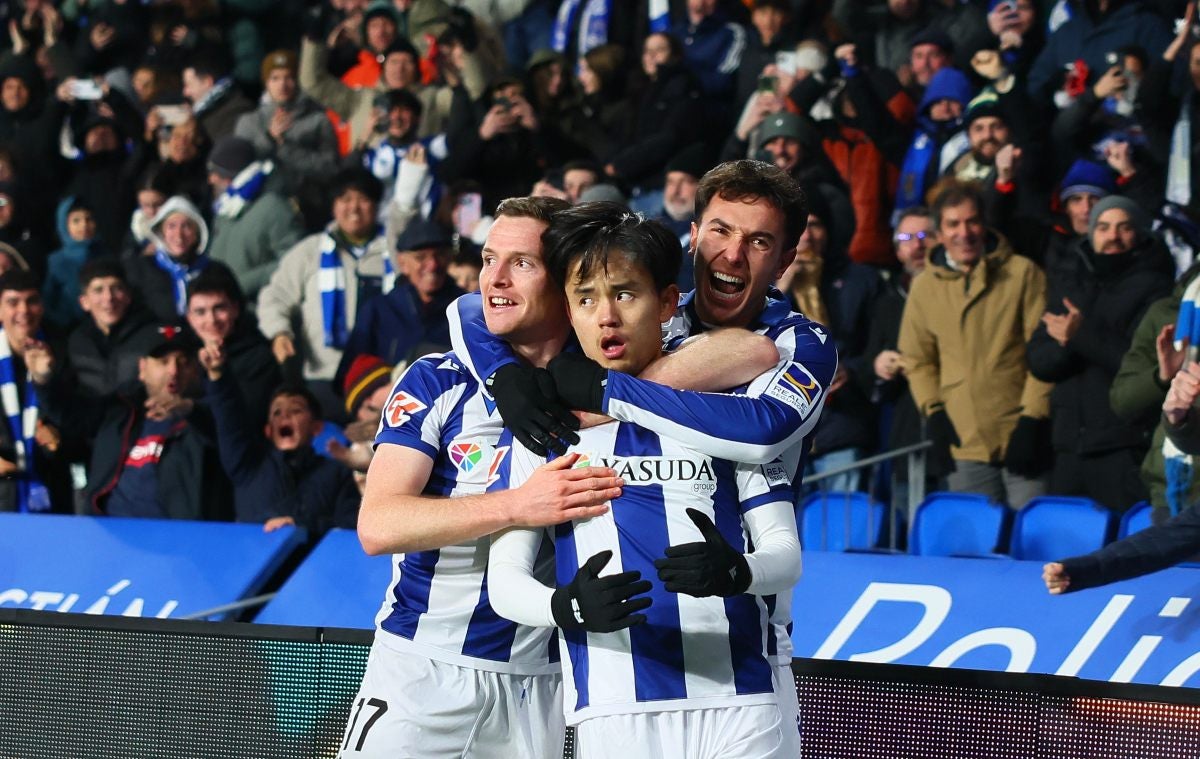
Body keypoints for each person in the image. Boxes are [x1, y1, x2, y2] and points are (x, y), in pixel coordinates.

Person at [450, 160, 840, 754]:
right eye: (720, 230)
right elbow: (472, 309)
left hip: (747, 643)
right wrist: (505, 376)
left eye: (759, 241)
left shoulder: (796, 343)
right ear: (694, 234)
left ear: (786, 259)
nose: (733, 254)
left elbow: (762, 427)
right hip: (616, 681)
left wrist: (611, 393)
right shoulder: (634, 302)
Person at [339, 196, 623, 758]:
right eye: (489, 258)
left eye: (522, 263)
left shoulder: (612, 389)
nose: (494, 278)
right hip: (422, 672)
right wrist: (518, 505)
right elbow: (378, 524)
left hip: (543, 687)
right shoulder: (436, 380)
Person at [898, 180, 1051, 508]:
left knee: (1031, 533)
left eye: (972, 222)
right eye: (953, 224)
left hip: (1022, 430)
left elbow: (1044, 354)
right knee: (978, 538)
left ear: (984, 225)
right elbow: (917, 359)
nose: (964, 233)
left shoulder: (1022, 273)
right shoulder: (924, 287)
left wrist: (1033, 418)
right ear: (940, 233)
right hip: (963, 439)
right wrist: (934, 411)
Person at [1027, 195, 1173, 511]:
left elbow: (1140, 366)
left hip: (1123, 448)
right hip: (1068, 448)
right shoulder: (1070, 284)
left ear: (1140, 234)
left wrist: (1079, 337)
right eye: (1103, 227)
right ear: (1091, 233)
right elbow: (1038, 362)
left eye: (1124, 228)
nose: (1113, 236)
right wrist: (1069, 345)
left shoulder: (1156, 289)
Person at [40, 324, 232, 520]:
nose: (173, 371)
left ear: (197, 371)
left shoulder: (211, 415)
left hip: (175, 533)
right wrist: (43, 380)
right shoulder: (121, 408)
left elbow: (228, 430)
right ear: (142, 369)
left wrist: (190, 409)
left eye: (184, 362)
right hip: (111, 528)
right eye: (163, 362)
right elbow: (70, 415)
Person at [256, 167, 390, 419]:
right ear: (333, 206)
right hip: (324, 375)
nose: (354, 208)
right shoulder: (311, 250)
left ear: (376, 205)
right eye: (345, 199)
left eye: (362, 199)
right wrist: (279, 332)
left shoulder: (393, 251)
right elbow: (275, 295)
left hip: (384, 379)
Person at [198, 342, 360, 539]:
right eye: (277, 412)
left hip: (316, 558)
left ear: (316, 427)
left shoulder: (337, 474)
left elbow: (350, 528)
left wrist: (302, 526)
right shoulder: (249, 465)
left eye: (296, 410)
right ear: (268, 430)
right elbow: (229, 419)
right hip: (256, 557)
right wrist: (218, 374)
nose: (285, 416)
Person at [334, 217, 464, 389]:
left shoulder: (465, 309)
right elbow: (348, 376)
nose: (433, 265)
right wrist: (378, 391)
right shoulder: (379, 310)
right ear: (402, 263)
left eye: (439, 255)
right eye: (420, 257)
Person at [0, 270, 71, 513]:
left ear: (42, 307)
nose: (24, 310)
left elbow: (80, 423)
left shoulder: (65, 352)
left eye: (31, 301)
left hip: (52, 493)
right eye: (13, 302)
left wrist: (58, 439)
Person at [206, 136, 304, 304]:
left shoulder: (274, 207)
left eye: (217, 173)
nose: (211, 179)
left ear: (233, 174)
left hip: (261, 307)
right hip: (225, 307)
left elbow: (294, 261)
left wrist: (242, 284)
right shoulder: (225, 208)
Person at [185, 269, 281, 427]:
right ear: (189, 318)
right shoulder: (183, 356)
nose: (211, 320)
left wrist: (190, 408)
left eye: (219, 308)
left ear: (235, 309)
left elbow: (245, 417)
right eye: (200, 312)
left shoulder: (259, 358)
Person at [125, 196, 236, 323]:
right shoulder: (141, 269)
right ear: (162, 232)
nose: (179, 235)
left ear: (198, 232)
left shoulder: (216, 272)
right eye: (171, 226)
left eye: (187, 226)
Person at [66, 258, 160, 399]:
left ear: (128, 296)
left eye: (116, 288)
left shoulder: (152, 335)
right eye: (98, 290)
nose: (108, 297)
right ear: (84, 302)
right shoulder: (76, 342)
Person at [42, 197, 109, 330]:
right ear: (64, 225)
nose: (84, 225)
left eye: (89, 219)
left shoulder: (106, 256)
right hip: (67, 329)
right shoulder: (56, 261)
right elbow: (48, 300)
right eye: (76, 221)